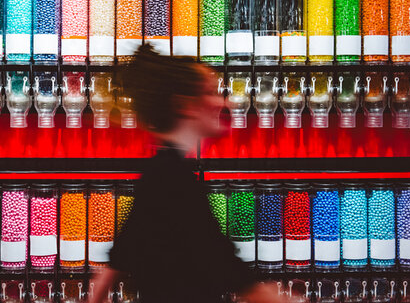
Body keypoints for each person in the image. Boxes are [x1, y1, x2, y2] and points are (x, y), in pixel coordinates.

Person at [90, 45, 282, 303]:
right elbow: (229, 268)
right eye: (210, 92)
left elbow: (123, 253)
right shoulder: (175, 181)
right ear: (184, 105)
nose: (223, 102)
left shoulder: (159, 172)